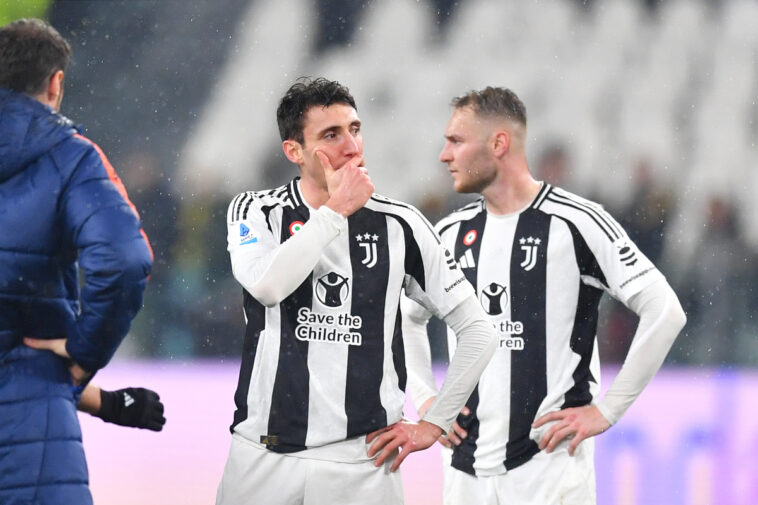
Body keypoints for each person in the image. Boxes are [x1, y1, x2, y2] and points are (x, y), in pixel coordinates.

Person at [216, 77, 498, 505]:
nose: (352, 145)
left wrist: (434, 422)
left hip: (362, 465)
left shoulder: (402, 225)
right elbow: (267, 286)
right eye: (331, 134)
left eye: (355, 129)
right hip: (261, 457)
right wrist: (335, 212)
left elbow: (479, 330)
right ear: (294, 151)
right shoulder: (256, 211)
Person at [402, 87, 687, 505]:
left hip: (548, 472)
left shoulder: (577, 223)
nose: (445, 155)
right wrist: (427, 399)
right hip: (464, 475)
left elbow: (665, 311)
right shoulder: (448, 234)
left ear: (499, 143)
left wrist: (608, 411)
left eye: (456, 141)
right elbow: (408, 318)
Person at [0, 18, 153, 505]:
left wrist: (102, 403)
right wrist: (86, 355)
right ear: (55, 83)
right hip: (29, 422)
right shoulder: (74, 159)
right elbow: (124, 262)